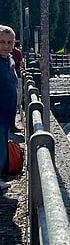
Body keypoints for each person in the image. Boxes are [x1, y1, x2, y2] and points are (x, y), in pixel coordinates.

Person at [0, 25, 18, 194]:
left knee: (2, 147)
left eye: (9, 42)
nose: (6, 45)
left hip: (6, 114)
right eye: (2, 42)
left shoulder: (10, 61)